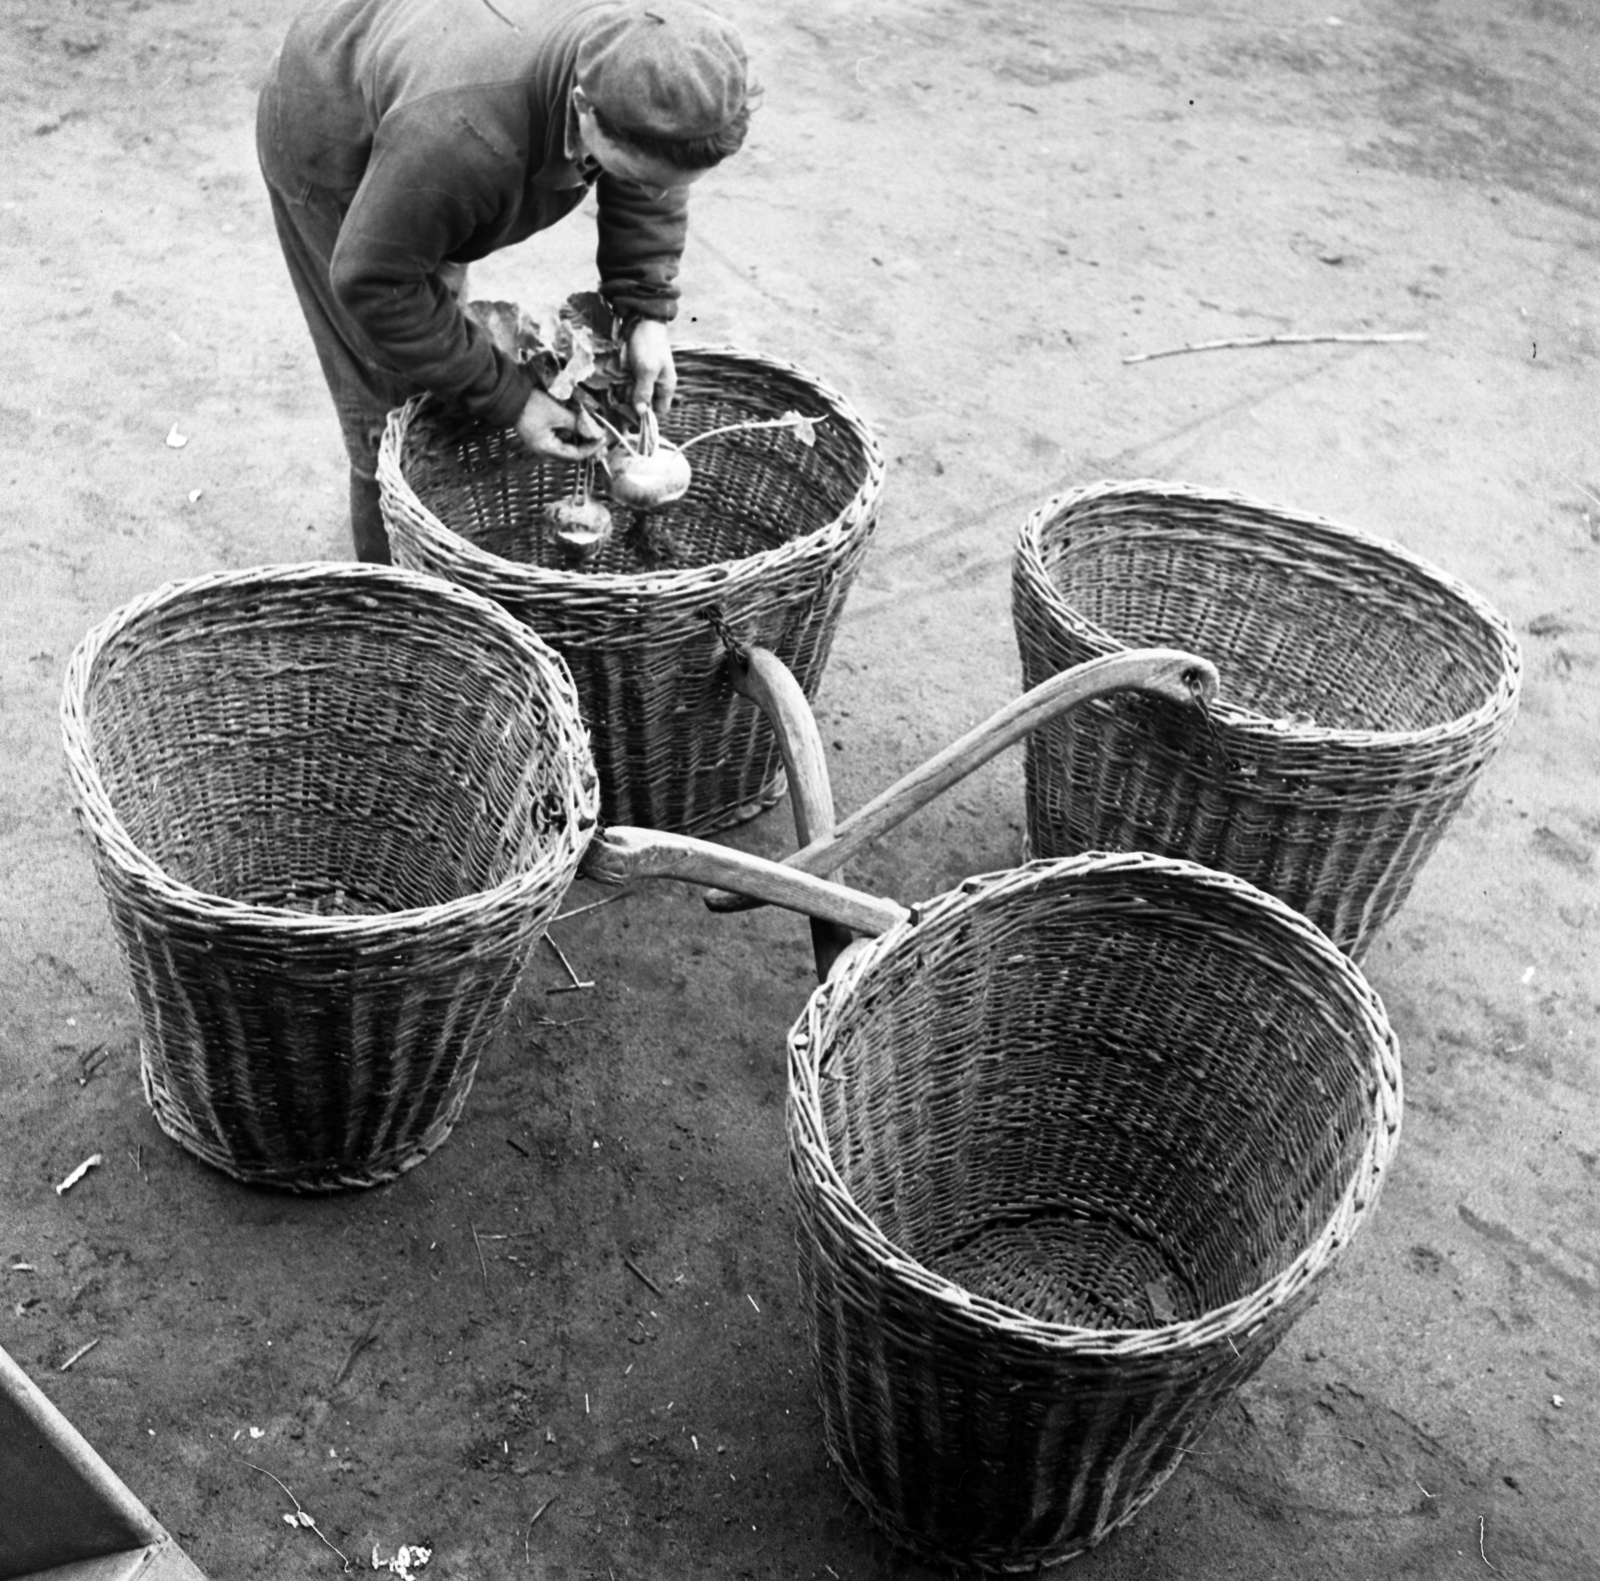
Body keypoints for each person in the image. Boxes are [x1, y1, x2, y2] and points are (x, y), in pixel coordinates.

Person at [257, 0, 752, 562]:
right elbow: (376, 281)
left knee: (443, 350)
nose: (654, 190)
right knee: (396, 411)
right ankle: (392, 594)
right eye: (635, 173)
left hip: (435, 85)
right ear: (584, 109)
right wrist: (512, 400)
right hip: (330, 115)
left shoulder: (648, 56)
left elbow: (651, 173)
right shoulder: (462, 141)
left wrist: (646, 311)